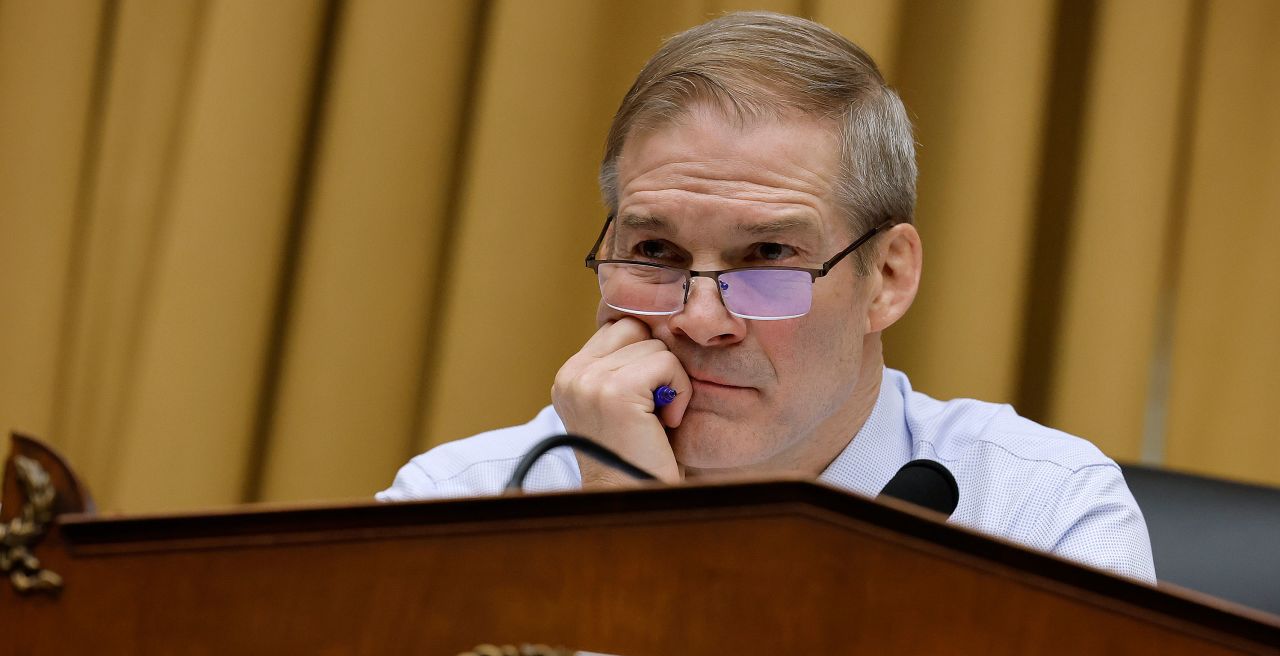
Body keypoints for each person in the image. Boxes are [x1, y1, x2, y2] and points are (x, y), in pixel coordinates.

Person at [378, 12, 1155, 583]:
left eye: (769, 255)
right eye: (655, 252)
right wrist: (621, 522)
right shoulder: (462, 504)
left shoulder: (1039, 514)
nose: (700, 319)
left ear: (886, 278)